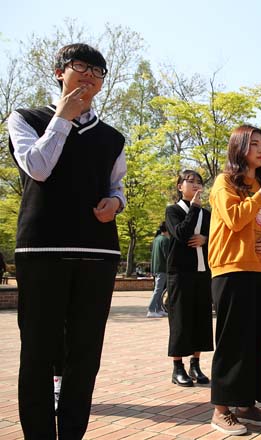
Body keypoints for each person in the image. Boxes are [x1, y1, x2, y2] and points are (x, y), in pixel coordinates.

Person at [7, 43, 126, 439]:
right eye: (81, 66)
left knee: (85, 355)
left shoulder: (113, 138)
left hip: (98, 252)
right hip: (42, 249)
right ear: (59, 72)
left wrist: (116, 202)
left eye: (98, 70)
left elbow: (116, 186)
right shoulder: (26, 118)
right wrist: (62, 119)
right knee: (38, 353)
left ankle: (72, 433)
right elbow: (37, 169)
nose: (90, 74)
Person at [208, 125, 261, 435]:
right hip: (231, 269)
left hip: (259, 270)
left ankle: (246, 403)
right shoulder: (225, 183)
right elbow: (236, 219)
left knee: (254, 341)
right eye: (253, 143)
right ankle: (221, 409)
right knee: (232, 341)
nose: (260, 149)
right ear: (238, 148)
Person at [165, 170, 213, 387]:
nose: (195, 185)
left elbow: (217, 238)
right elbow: (181, 234)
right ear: (179, 186)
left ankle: (196, 364)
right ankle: (178, 367)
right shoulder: (173, 211)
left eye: (199, 182)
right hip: (180, 274)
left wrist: (206, 238)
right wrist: (193, 208)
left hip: (203, 273)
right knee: (180, 320)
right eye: (190, 181)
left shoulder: (208, 214)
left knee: (201, 319)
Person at [148, 222, 170, 318]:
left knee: (159, 289)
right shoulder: (165, 240)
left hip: (155, 268)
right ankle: (151, 310)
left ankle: (159, 309)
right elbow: (167, 256)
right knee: (158, 290)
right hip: (162, 268)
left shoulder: (156, 239)